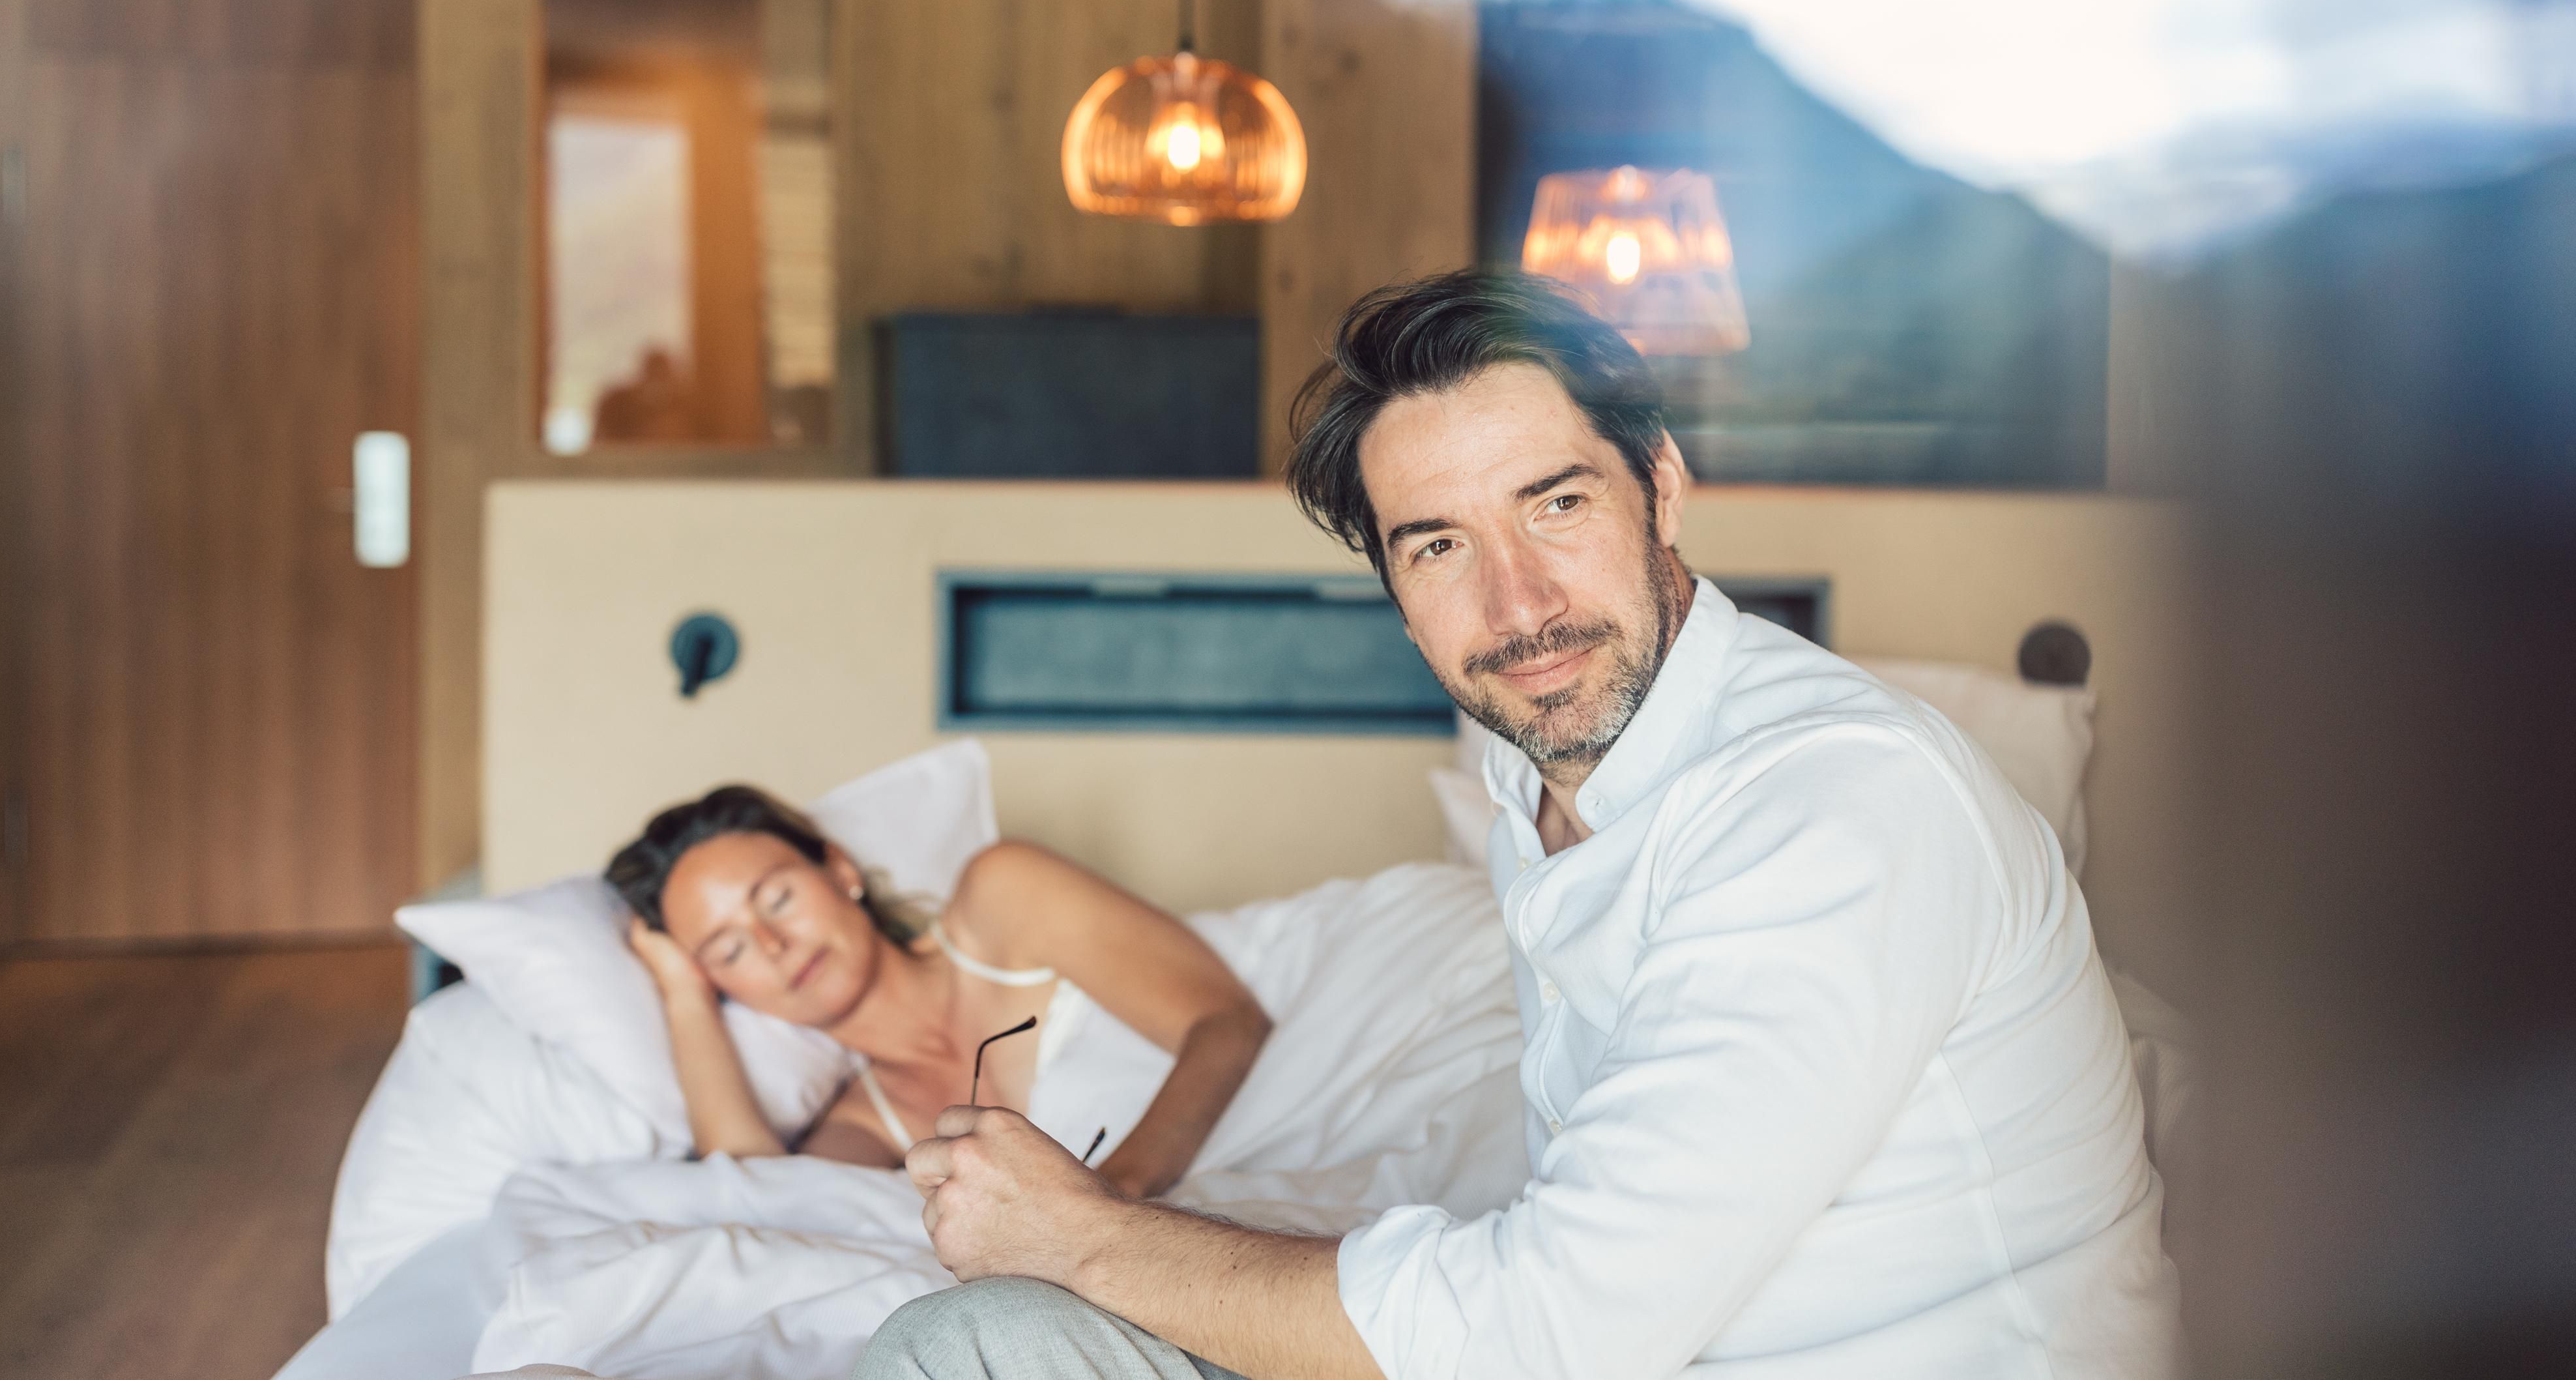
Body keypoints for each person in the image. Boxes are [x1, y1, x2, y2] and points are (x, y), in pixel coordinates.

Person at [861, 269, 2183, 1379]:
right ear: (1391, 584)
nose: (1517, 600)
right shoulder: (1545, 780)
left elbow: (1555, 1324)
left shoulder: (1834, 803)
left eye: (1554, 504)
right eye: (1436, 544)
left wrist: (1086, 1231)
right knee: (977, 1343)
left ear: (1658, 487)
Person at [607, 784, 1270, 1199]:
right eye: (730, 949)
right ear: (731, 991)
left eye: (777, 898)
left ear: (839, 869)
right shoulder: (864, 1126)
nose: (774, 945)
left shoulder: (1001, 896)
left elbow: (1226, 1022)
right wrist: (682, 994)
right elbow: (756, 1196)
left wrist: (1115, 1197)